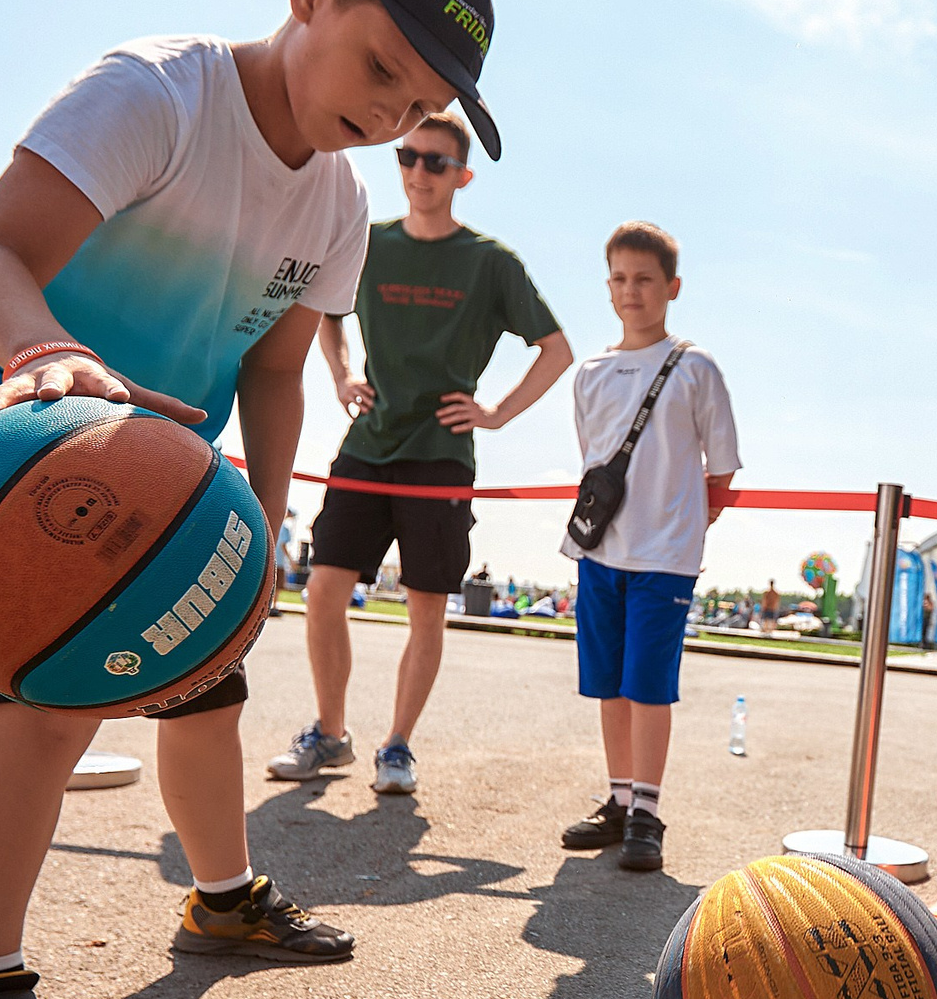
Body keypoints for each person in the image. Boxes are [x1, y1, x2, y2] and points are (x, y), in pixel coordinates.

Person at [0, 0, 499, 999]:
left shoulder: (334, 204)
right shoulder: (155, 97)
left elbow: (277, 371)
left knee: (205, 680)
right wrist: (43, 350)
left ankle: (222, 899)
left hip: (173, 464)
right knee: (49, 701)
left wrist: (262, 534)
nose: (389, 115)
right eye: (380, 68)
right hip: (25, 417)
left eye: (415, 103)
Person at [267, 108, 571, 794]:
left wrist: (494, 412)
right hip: (368, 445)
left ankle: (397, 746)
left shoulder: (491, 262)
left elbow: (556, 351)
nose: (419, 172)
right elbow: (323, 312)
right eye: (408, 157)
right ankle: (329, 732)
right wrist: (342, 373)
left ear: (462, 175)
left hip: (441, 455)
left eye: (435, 162)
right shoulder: (367, 241)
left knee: (425, 605)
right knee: (322, 591)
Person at [556, 222, 740, 872]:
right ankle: (618, 798)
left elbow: (721, 474)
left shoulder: (696, 367)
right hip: (601, 553)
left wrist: (682, 529)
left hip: (664, 560)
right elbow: (594, 462)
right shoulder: (590, 373)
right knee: (608, 685)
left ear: (672, 287)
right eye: (620, 278)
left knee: (649, 687)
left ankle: (648, 812)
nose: (631, 291)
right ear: (608, 285)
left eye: (645, 279)